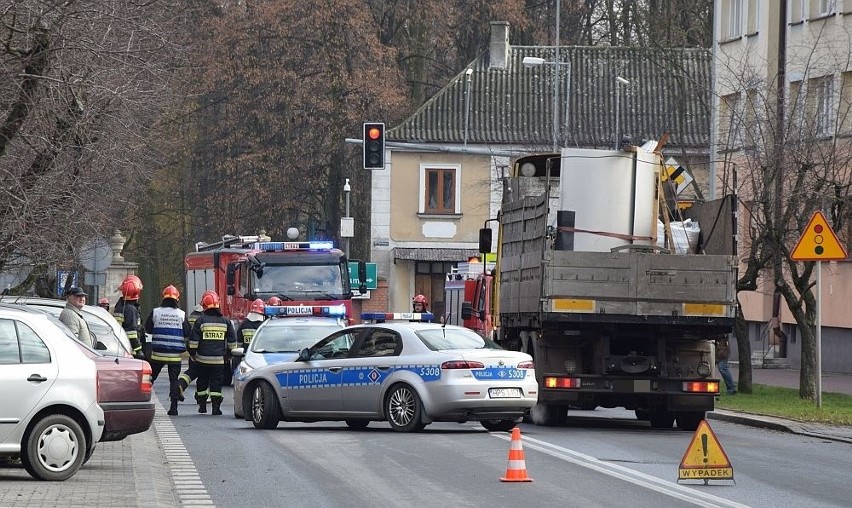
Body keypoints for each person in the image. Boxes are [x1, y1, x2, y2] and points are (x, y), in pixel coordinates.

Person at [178, 290, 237, 415]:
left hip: (202, 359)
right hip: (219, 361)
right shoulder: (226, 322)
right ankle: (216, 408)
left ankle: (202, 406)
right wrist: (228, 355)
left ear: (204, 305)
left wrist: (193, 354)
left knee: (202, 380)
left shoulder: (200, 321)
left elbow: (193, 342)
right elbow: (232, 342)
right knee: (216, 383)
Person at [144, 285, 191, 416]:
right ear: (177, 299)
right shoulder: (181, 314)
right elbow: (187, 332)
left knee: (150, 378)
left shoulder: (155, 312)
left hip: (158, 354)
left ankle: (141, 401)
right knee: (174, 380)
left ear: (163, 298)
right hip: (175, 355)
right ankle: (173, 408)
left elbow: (147, 328)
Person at [115, 275, 146, 359]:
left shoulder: (120, 306)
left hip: (122, 348)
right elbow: (131, 333)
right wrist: (139, 350)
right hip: (130, 350)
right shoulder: (131, 309)